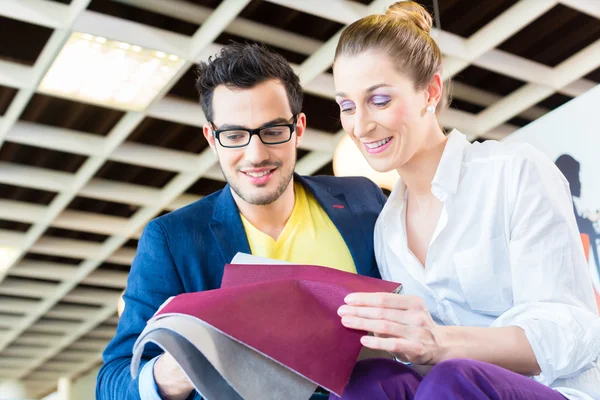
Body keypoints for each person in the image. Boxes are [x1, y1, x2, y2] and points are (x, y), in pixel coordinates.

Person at [331, 2, 600, 399]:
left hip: (553, 391)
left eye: (380, 100)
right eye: (347, 106)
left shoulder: (513, 172)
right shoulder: (387, 229)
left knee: (451, 379)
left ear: (431, 92)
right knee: (371, 383)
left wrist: (441, 344)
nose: (360, 125)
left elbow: (571, 329)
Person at [96, 43, 387, 400]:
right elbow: (112, 382)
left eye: (274, 131)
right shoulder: (173, 240)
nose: (256, 154)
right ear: (211, 139)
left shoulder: (362, 200)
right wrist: (182, 367)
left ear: (299, 128)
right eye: (234, 136)